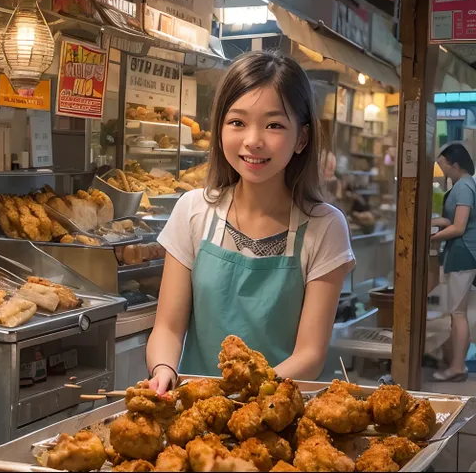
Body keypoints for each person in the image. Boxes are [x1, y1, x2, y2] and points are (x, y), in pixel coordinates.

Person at [147, 51, 356, 393]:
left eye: (274, 125)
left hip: (278, 417)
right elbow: (168, 328)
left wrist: (248, 396)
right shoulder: (193, 211)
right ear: (220, 129)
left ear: (301, 138)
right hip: (197, 414)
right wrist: (163, 368)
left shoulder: (325, 227)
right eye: (238, 122)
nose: (253, 140)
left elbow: (310, 354)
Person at [431, 143, 476, 382]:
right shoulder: (464, 185)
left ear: (454, 164)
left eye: (444, 166)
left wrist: (431, 237)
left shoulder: (464, 187)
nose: (443, 171)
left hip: (463, 253)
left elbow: (458, 227)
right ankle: (454, 361)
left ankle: (457, 367)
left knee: (458, 313)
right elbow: (451, 220)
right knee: (459, 312)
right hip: (461, 254)